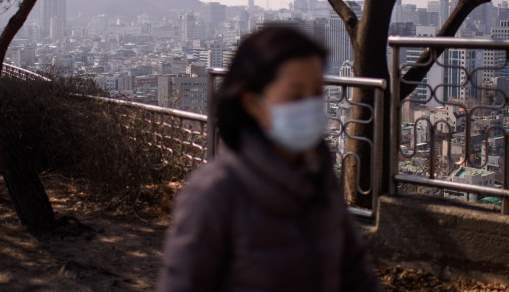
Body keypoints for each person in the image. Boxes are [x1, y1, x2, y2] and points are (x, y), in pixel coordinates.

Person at [158, 26, 381, 291]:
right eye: (295, 95)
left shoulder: (318, 175)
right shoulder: (214, 193)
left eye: (317, 93)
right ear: (253, 102)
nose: (310, 106)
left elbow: (354, 270)